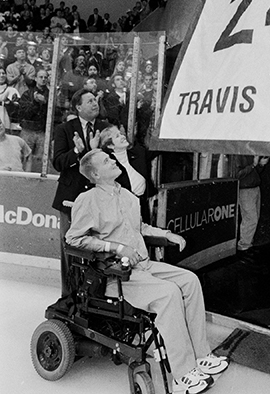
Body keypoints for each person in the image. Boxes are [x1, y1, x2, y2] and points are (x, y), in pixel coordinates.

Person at [66, 148, 229, 394]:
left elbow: (139, 227)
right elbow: (74, 239)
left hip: (143, 266)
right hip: (116, 276)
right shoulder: (87, 201)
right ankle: (182, 376)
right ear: (96, 174)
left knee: (190, 281)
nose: (113, 160)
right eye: (107, 160)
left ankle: (202, 355)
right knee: (169, 294)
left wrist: (166, 234)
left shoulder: (129, 197)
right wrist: (115, 247)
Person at [52, 89, 110, 296]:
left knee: (95, 250)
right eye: (90, 100)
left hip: (97, 200)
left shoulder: (104, 128)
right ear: (78, 107)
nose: (96, 103)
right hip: (70, 200)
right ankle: (68, 298)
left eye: (96, 100)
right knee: (70, 249)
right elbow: (58, 162)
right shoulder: (65, 129)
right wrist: (77, 151)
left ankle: (92, 299)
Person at [100, 124, 156, 222]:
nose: (123, 136)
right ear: (110, 145)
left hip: (142, 205)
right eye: (117, 136)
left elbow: (158, 150)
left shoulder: (139, 153)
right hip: (121, 210)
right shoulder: (107, 163)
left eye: (121, 134)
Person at [234, 155, 269, 255]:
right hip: (245, 189)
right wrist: (253, 165)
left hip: (254, 188)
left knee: (253, 218)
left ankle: (247, 244)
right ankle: (243, 246)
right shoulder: (238, 154)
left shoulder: (249, 153)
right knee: (250, 218)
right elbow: (237, 174)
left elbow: (255, 172)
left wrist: (260, 165)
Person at [19, 69, 50, 173]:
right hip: (28, 130)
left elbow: (55, 113)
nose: (43, 79)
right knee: (25, 157)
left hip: (42, 131)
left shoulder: (51, 95)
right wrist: (35, 103)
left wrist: (45, 103)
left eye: (45, 77)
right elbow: (24, 114)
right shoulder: (27, 94)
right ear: (36, 78)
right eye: (41, 77)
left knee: (40, 160)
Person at [0, 67, 20, 133]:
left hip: (5, 120)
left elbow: (17, 108)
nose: (1, 75)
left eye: (3, 73)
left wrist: (9, 104)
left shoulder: (11, 90)